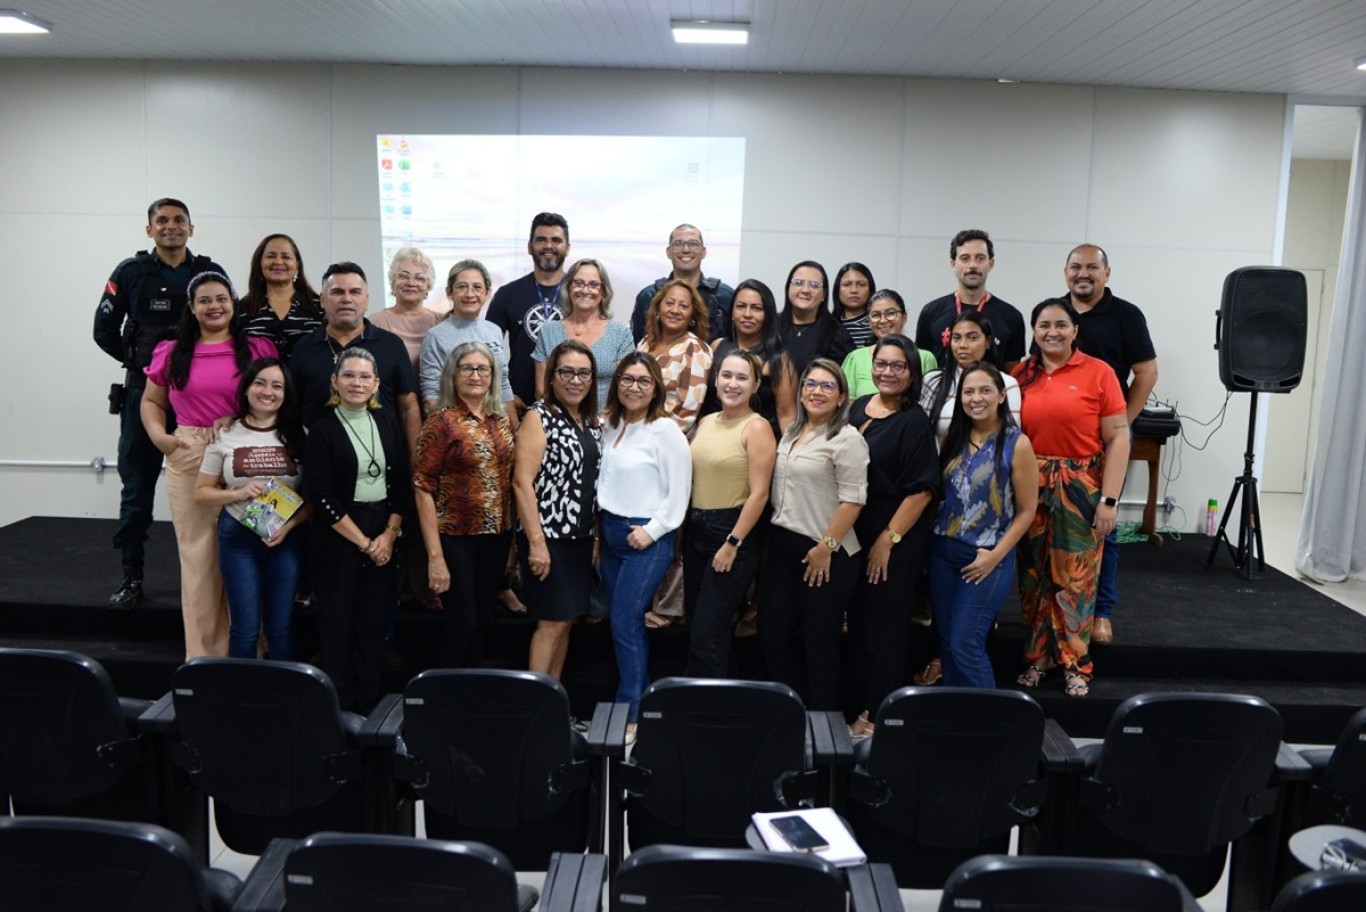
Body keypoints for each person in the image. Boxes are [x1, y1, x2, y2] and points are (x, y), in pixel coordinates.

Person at [93, 198, 226, 610]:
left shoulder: (209, 272)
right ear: (149, 229)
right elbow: (104, 329)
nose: (171, 226)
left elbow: (227, 322)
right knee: (137, 489)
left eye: (179, 220)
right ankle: (132, 576)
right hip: (144, 395)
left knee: (218, 487)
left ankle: (219, 579)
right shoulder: (130, 272)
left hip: (198, 401)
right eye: (162, 220)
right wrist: (144, 365)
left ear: (191, 227)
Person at [140, 271, 277, 659]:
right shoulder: (171, 351)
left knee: (250, 549)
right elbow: (151, 402)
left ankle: (251, 651)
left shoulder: (256, 347)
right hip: (189, 452)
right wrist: (160, 437)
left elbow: (274, 397)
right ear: (192, 307)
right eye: (205, 300)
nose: (214, 306)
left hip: (246, 451)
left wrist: (237, 417)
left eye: (221, 298)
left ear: (233, 303)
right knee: (199, 558)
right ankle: (205, 658)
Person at [1012, 299, 1129, 698]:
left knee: (1075, 578)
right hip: (1030, 484)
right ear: (1034, 331)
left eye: (1061, 324)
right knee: (1033, 576)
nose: (1053, 332)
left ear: (1075, 330)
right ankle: (1038, 658)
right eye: (1044, 325)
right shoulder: (1020, 375)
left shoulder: (1099, 372)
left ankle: (1075, 663)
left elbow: (1118, 439)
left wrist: (1109, 500)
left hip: (1080, 486)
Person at [1063, 244, 1159, 646]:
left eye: (1092, 267)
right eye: (1075, 267)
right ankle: (1057, 609)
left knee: (1105, 520)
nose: (1083, 273)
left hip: (1105, 436)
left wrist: (1123, 423)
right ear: (1065, 272)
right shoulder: (1055, 312)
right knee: (1054, 524)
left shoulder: (1126, 315)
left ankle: (1101, 611)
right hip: (1060, 438)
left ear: (1107, 273)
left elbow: (1147, 372)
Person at [304, 347, 409, 712]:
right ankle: (341, 707)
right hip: (340, 535)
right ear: (334, 381)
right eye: (348, 375)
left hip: (382, 530)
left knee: (373, 622)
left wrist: (389, 535)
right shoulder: (322, 429)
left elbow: (401, 483)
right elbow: (322, 496)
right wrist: (366, 543)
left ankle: (369, 703)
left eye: (365, 376)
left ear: (377, 384)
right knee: (338, 624)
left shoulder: (386, 421)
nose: (357, 383)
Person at [760, 359, 868, 711]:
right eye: (810, 384)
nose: (816, 391)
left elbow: (853, 501)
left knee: (819, 643)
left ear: (841, 397)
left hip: (826, 554)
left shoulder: (847, 439)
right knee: (774, 634)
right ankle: (793, 709)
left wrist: (826, 547)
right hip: (784, 548)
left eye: (827, 386)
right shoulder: (792, 431)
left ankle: (822, 721)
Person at [846, 335, 939, 739]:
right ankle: (858, 702)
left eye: (898, 366)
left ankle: (876, 713)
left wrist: (887, 540)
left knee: (884, 628)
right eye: (881, 364)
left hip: (893, 537)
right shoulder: (856, 408)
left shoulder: (914, 421)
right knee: (859, 623)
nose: (887, 372)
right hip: (855, 532)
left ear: (912, 373)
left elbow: (922, 491)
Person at [596, 353, 691, 738]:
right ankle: (638, 700)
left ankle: (632, 712)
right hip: (610, 533)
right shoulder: (610, 424)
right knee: (621, 623)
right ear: (616, 383)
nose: (634, 387)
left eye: (643, 381)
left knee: (625, 621)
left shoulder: (665, 431)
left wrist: (652, 531)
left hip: (645, 538)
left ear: (655, 389)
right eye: (627, 379)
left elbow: (679, 494)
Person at [930, 362, 1038, 688]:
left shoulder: (1017, 444)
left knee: (966, 644)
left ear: (1002, 395)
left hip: (986, 557)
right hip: (943, 552)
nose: (976, 398)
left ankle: (991, 717)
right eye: (969, 391)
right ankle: (956, 714)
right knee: (948, 643)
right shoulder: (953, 437)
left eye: (985, 390)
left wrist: (995, 556)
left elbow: (1027, 511)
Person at [194, 357, 309, 661]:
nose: (267, 391)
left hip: (285, 538)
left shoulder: (301, 435)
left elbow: (316, 499)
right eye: (260, 383)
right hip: (237, 538)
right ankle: (242, 689)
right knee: (244, 629)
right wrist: (237, 492)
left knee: (280, 628)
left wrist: (290, 526)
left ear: (286, 394)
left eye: (277, 386)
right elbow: (201, 493)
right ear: (246, 388)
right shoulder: (224, 435)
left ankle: (284, 688)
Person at [414, 342, 516, 668]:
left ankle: (469, 686)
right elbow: (422, 488)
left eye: (482, 368)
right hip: (455, 538)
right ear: (453, 374)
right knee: (463, 621)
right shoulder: (440, 421)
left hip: (497, 536)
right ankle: (443, 689)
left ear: (493, 375)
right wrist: (435, 557)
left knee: (483, 619)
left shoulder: (500, 420)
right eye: (467, 368)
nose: (475, 375)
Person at [683, 350, 776, 677]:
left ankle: (703, 704)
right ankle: (728, 700)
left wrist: (732, 543)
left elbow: (760, 494)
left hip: (730, 534)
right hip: (696, 531)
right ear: (716, 380)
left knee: (706, 633)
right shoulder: (706, 421)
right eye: (726, 375)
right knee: (703, 628)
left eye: (742, 378)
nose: (732, 384)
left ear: (756, 385)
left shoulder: (757, 427)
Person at [513, 340, 602, 679]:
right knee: (550, 624)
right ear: (551, 376)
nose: (575, 380)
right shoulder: (538, 417)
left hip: (579, 539)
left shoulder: (589, 421)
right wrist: (536, 543)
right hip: (547, 538)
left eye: (583, 373)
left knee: (565, 622)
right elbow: (521, 482)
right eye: (567, 372)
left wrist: (595, 538)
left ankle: (554, 697)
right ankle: (536, 702)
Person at [291, 262, 421, 452]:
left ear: (366, 300)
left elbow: (409, 409)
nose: (346, 299)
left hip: (383, 460)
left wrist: (416, 462)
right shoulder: (304, 348)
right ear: (322, 300)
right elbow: (292, 410)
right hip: (319, 460)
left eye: (355, 292)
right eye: (337, 292)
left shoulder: (391, 345)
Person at [487, 212, 570, 414]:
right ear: (530, 247)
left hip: (572, 405)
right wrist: (503, 395)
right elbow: (486, 353)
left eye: (556, 240)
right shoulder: (507, 294)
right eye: (541, 240)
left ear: (567, 248)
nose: (548, 246)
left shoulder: (582, 294)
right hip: (518, 406)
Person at [915, 229, 1026, 371]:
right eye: (965, 258)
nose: (972, 265)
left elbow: (1012, 374)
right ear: (953, 264)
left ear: (990, 263)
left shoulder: (1011, 316)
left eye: (980, 258)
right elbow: (922, 367)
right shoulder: (931, 312)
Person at [701, 278, 797, 440]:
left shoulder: (778, 359)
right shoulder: (717, 346)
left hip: (757, 442)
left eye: (756, 308)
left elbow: (787, 415)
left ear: (767, 314)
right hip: (713, 437)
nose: (747, 314)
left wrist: (789, 451)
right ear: (732, 312)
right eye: (741, 306)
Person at [418, 260, 515, 418]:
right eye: (462, 287)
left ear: (487, 293)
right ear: (449, 292)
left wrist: (515, 427)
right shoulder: (435, 336)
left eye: (477, 287)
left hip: (495, 424)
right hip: (454, 426)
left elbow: (503, 385)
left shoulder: (494, 331)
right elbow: (431, 396)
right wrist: (460, 429)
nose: (470, 294)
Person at [533, 258, 635, 408]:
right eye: (579, 283)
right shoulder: (548, 332)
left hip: (606, 419)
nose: (585, 290)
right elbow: (542, 390)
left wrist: (602, 419)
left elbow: (627, 388)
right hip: (558, 419)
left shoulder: (621, 334)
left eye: (593, 285)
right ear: (568, 288)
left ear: (603, 292)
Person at [921, 310, 1022, 443]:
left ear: (988, 342)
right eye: (956, 338)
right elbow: (922, 435)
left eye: (972, 338)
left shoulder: (1007, 383)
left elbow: (1010, 439)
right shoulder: (932, 381)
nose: (962, 345)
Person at [630, 224, 735, 343]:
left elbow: (735, 344)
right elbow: (637, 344)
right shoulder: (649, 296)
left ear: (703, 252)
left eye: (693, 244)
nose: (686, 250)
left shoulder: (724, 296)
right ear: (668, 252)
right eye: (678, 244)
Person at [638, 278, 714, 435]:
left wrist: (647, 435)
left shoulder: (696, 349)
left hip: (664, 438)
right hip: (633, 428)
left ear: (692, 315)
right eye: (669, 303)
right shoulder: (645, 343)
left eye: (683, 306)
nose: (675, 310)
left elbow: (686, 413)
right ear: (658, 308)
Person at [237, 233, 323, 364]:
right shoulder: (242, 309)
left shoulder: (318, 307)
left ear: (297, 265)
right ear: (259, 263)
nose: (278, 261)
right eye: (271, 256)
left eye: (286, 256)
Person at [841, 289, 936, 398]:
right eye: (876, 315)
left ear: (904, 317)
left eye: (890, 313)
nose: (883, 320)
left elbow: (929, 401)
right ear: (869, 321)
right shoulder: (856, 358)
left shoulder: (924, 358)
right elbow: (846, 402)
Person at [369, 246, 443, 379]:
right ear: (393, 282)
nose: (411, 282)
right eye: (403, 276)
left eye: (419, 278)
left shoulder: (442, 322)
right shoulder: (375, 323)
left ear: (428, 286)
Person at [778, 261, 855, 374]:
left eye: (814, 285)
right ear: (788, 288)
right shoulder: (771, 325)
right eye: (798, 283)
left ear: (824, 294)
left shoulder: (837, 334)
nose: (805, 290)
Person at [832, 262, 877, 349]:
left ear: (870, 289)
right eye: (847, 284)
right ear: (837, 289)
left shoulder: (878, 326)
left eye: (861, 285)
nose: (854, 290)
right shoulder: (828, 327)